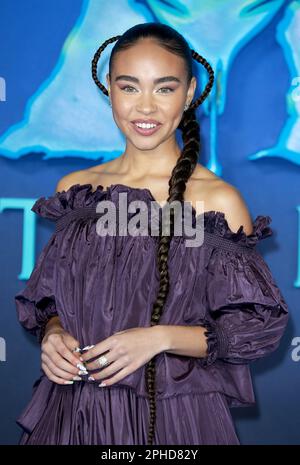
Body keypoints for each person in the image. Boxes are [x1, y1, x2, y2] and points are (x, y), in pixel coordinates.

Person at [15, 23, 289, 445]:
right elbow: (51, 299)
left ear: (189, 91)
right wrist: (53, 333)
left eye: (164, 88)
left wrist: (158, 339)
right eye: (129, 87)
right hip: (74, 415)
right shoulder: (75, 191)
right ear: (109, 88)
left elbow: (255, 326)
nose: (145, 108)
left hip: (173, 420)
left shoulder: (217, 201)